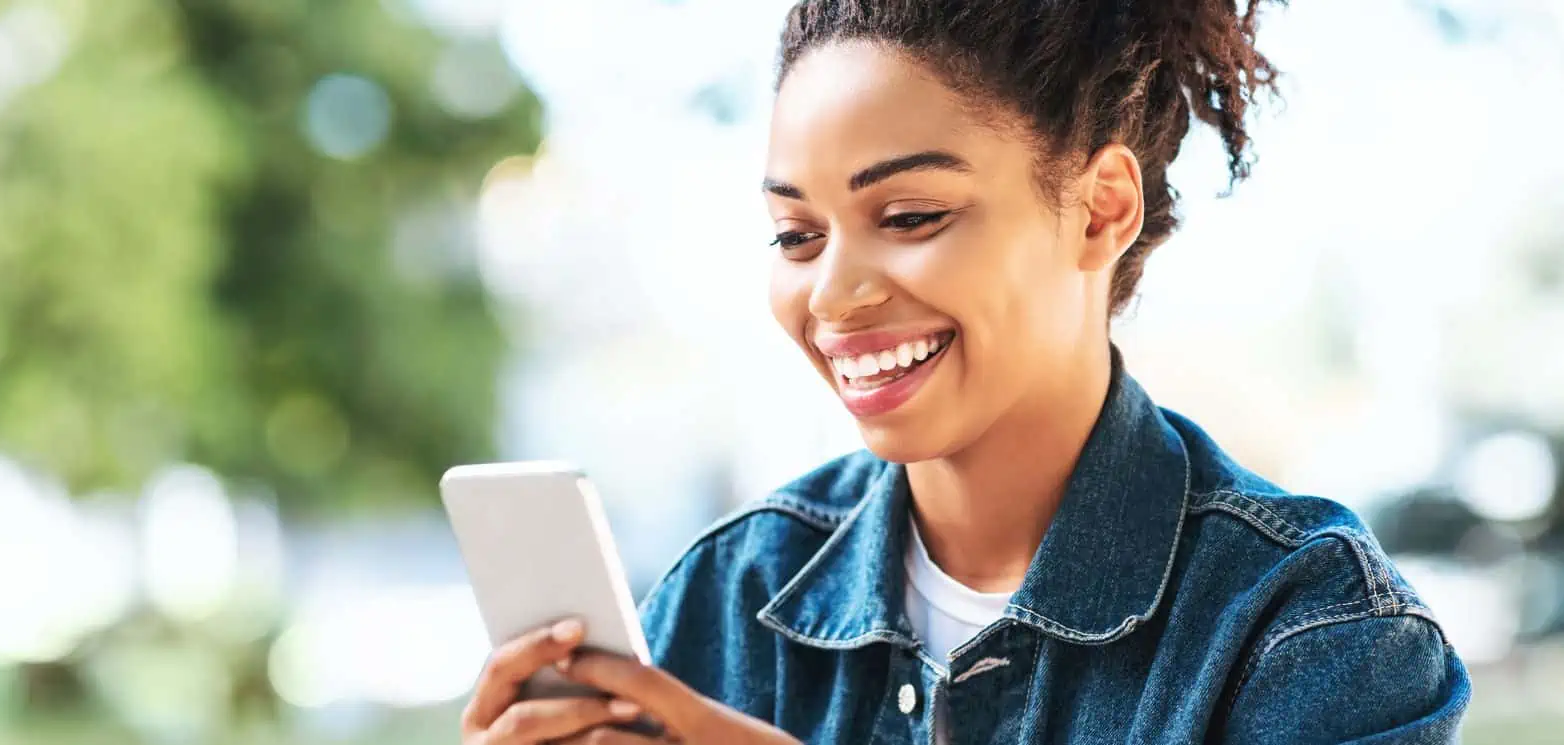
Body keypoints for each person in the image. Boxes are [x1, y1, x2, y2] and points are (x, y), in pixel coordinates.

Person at [458, 0, 1472, 742]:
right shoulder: (725, 603)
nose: (833, 296)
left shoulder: (1307, 630)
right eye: (795, 235)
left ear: (1100, 207)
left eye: (908, 218)